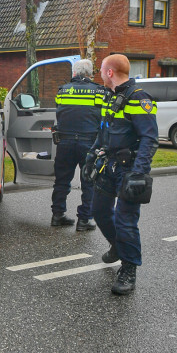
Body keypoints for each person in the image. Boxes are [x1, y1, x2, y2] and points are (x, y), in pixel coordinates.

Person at [87, 54, 158, 295]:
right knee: (98, 210)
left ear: (110, 73)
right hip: (108, 165)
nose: (100, 74)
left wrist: (139, 172)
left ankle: (129, 269)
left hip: (129, 169)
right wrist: (90, 157)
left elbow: (150, 138)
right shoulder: (110, 96)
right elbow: (104, 130)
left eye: (102, 70)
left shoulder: (139, 98)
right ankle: (117, 247)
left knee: (125, 221)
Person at [50, 59, 106, 231]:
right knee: (89, 180)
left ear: (74, 73)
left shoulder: (62, 90)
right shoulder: (98, 91)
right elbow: (103, 118)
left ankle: (57, 215)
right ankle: (84, 220)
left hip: (64, 141)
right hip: (89, 141)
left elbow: (60, 111)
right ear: (90, 74)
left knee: (62, 179)